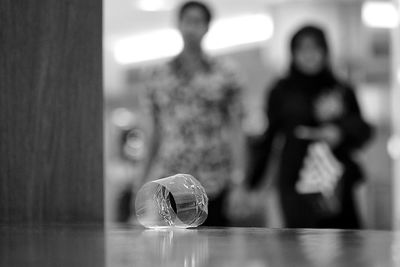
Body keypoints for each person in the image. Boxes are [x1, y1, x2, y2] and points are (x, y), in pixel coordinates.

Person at [247, 25, 373, 229]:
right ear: (293, 53)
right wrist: (252, 183)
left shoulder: (340, 88)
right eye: (302, 49)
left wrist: (340, 132)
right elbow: (268, 138)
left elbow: (363, 129)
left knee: (344, 244)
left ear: (325, 51)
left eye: (315, 48)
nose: (309, 55)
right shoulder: (281, 90)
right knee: (300, 244)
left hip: (336, 178)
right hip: (296, 178)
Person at [140, 1, 246, 226]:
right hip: (169, 178)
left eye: (198, 22)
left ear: (207, 27)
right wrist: (140, 183)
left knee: (215, 253)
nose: (192, 28)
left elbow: (237, 129)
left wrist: (239, 181)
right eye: (188, 21)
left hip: (214, 180)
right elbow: (153, 134)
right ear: (178, 25)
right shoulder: (158, 76)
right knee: (170, 254)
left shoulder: (226, 74)